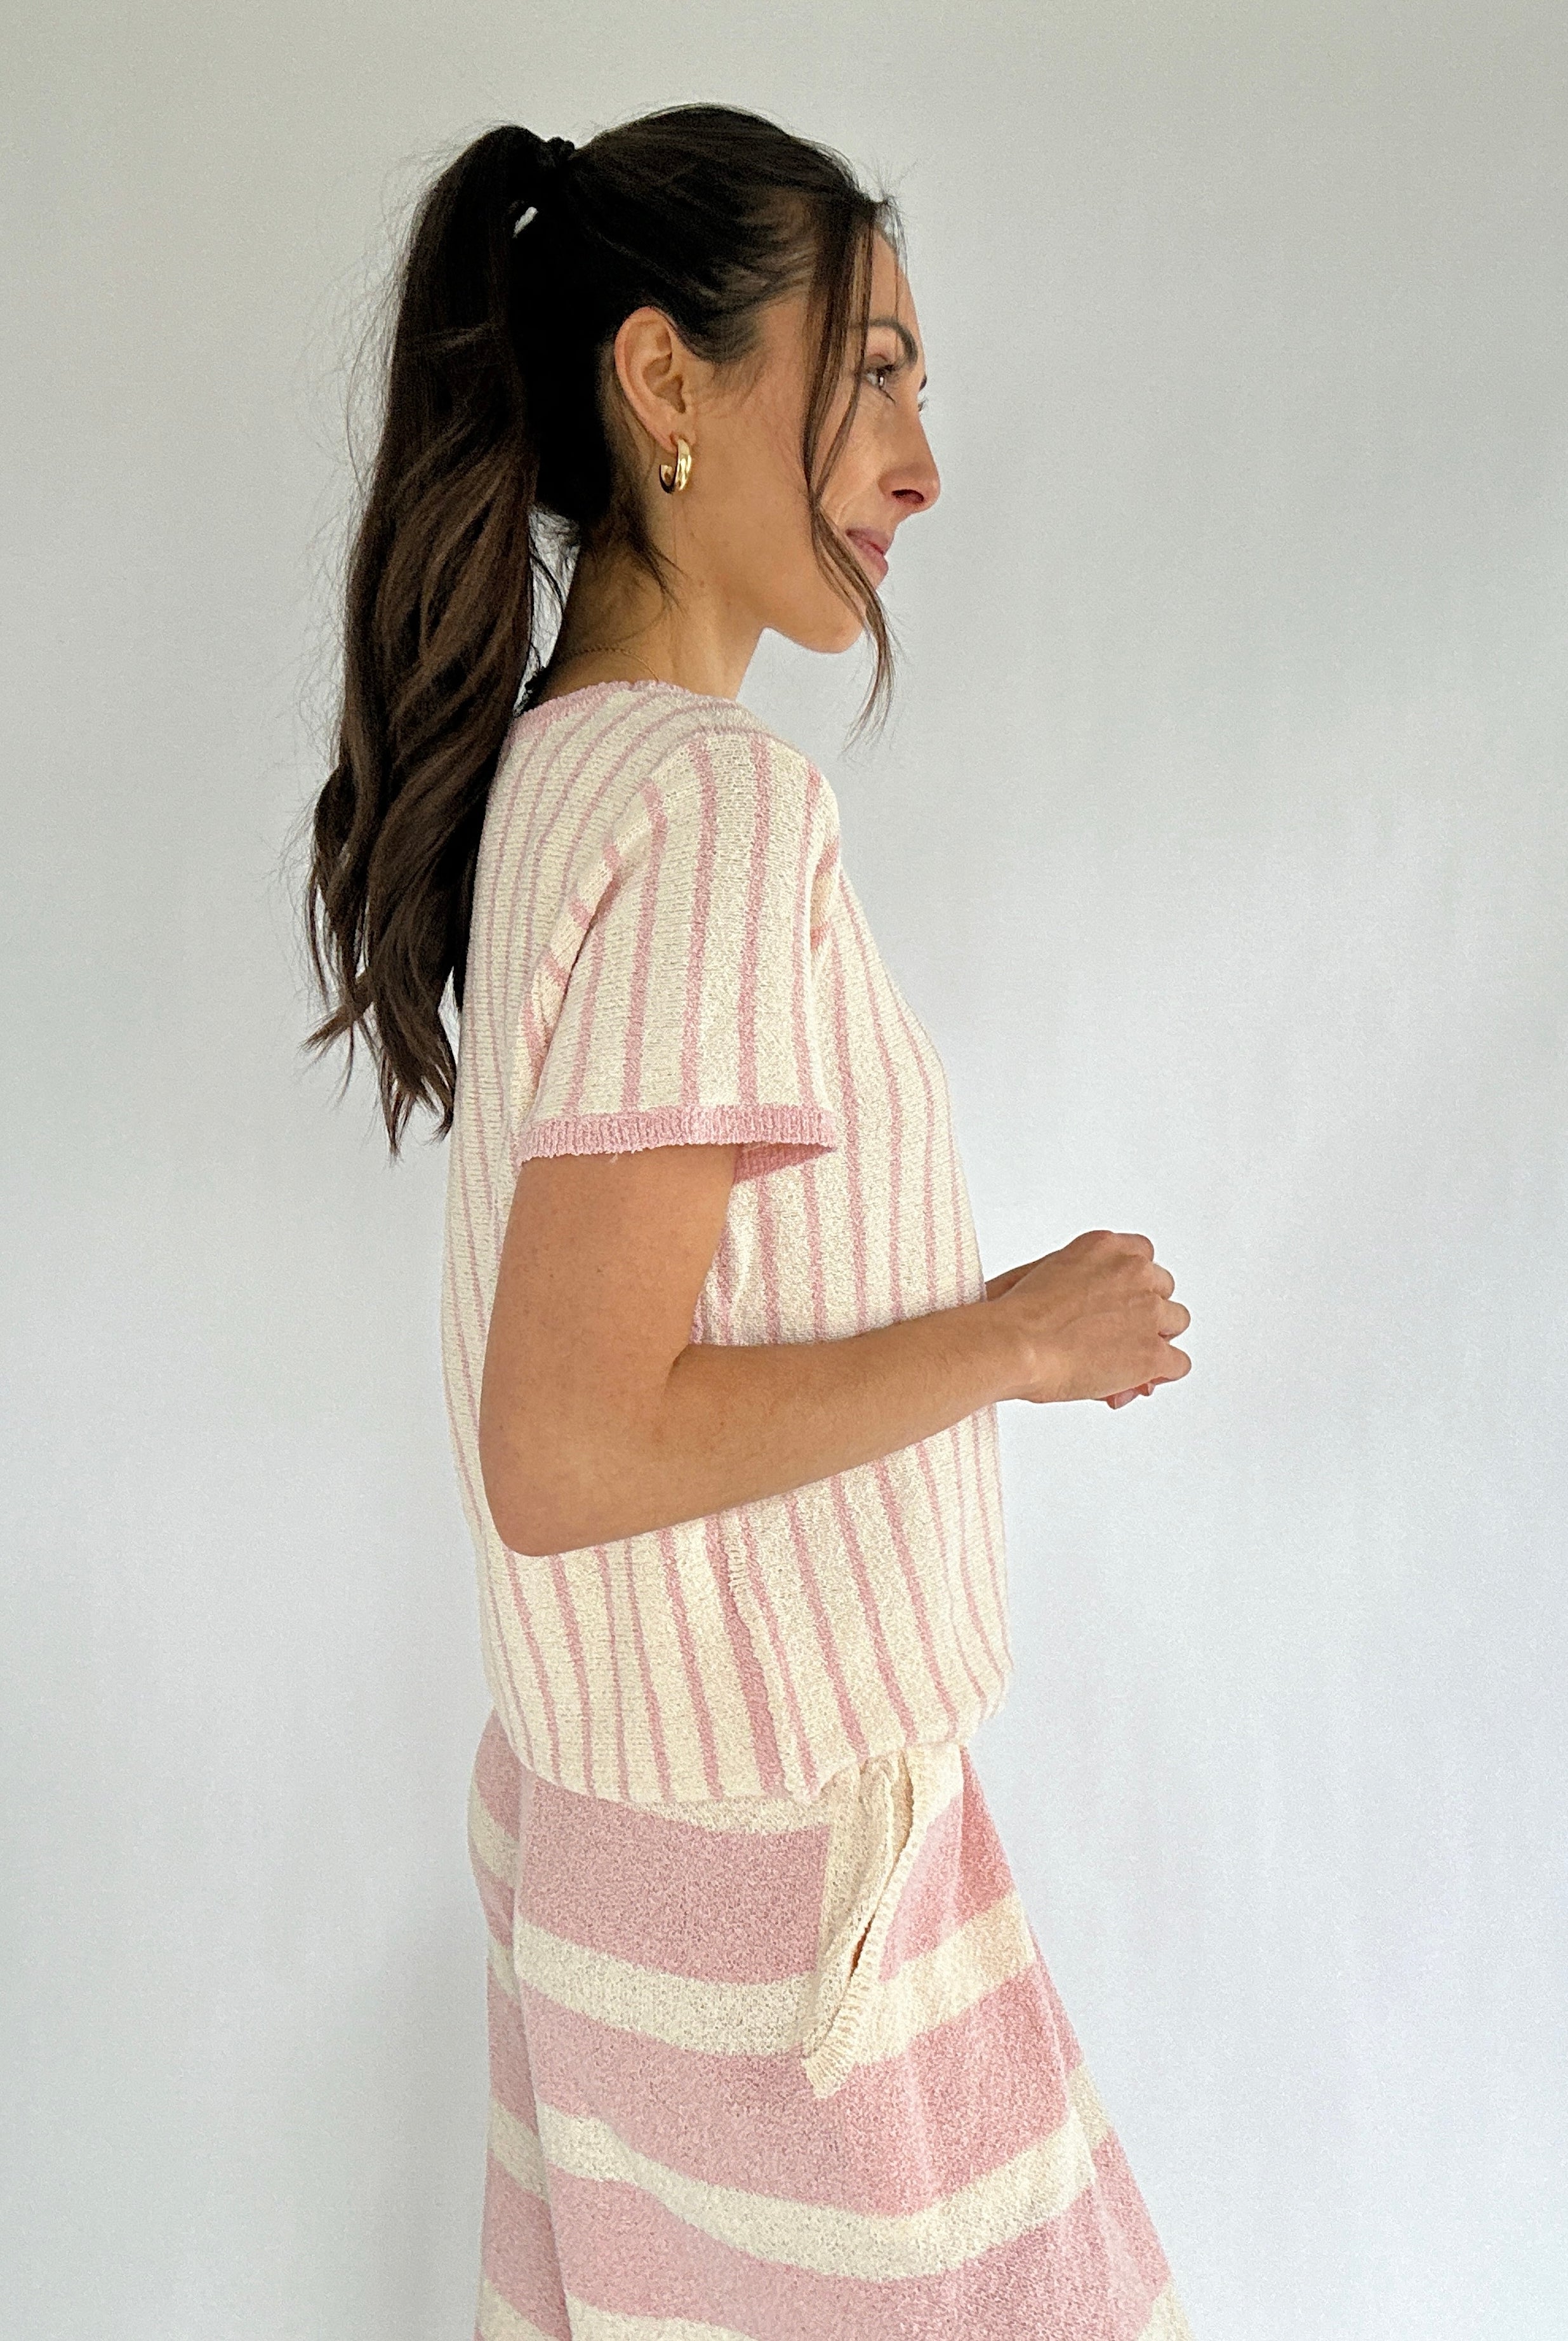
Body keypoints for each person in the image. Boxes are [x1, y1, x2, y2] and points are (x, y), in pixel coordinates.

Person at [304, 100, 1194, 2341]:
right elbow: (573, 1442)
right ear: (666, 379)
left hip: (651, 1845)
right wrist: (1011, 1342)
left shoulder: (562, 778)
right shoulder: (704, 807)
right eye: (871, 367)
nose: (914, 460)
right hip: (773, 1885)